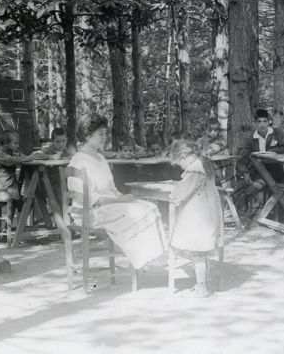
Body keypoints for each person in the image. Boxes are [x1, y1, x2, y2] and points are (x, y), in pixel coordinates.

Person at [67, 114, 165, 270]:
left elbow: (112, 188)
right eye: (100, 134)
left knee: (149, 207)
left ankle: (153, 256)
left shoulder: (100, 158)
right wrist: (119, 201)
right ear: (87, 135)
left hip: (108, 206)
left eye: (105, 133)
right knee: (138, 212)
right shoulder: (78, 161)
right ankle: (145, 258)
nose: (104, 137)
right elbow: (92, 199)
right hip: (90, 212)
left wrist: (121, 196)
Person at [168, 139, 223, 297]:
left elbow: (182, 191)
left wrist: (173, 194)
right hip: (208, 212)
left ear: (184, 157)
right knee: (200, 251)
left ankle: (201, 287)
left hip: (199, 215)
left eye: (180, 164)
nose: (181, 167)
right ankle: (202, 283)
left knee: (197, 251)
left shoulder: (194, 170)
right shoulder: (204, 163)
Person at [0, 130, 28, 203]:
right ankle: (12, 214)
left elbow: (21, 156)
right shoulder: (0, 155)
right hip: (0, 191)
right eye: (15, 143)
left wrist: (23, 156)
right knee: (25, 201)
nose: (18, 145)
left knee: (26, 200)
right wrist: (27, 158)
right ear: (6, 144)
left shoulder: (10, 152)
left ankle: (18, 212)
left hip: (8, 189)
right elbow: (13, 160)